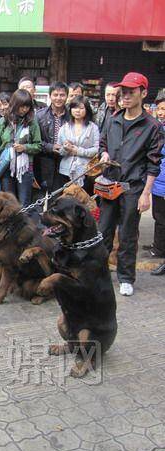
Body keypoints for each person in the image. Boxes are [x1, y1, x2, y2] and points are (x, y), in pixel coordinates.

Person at [99, 72, 163, 296]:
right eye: (123, 92)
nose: (124, 96)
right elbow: (103, 143)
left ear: (143, 93)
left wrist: (146, 193)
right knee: (103, 231)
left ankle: (126, 277)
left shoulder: (152, 126)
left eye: (131, 92)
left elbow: (153, 163)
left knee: (127, 234)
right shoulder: (113, 118)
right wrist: (104, 154)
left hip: (133, 188)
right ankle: (99, 273)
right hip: (109, 183)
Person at [0, 89, 41, 208]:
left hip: (24, 169)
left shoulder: (32, 122)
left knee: (24, 204)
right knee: (8, 203)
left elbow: (38, 145)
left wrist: (25, 147)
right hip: (6, 167)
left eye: (27, 106)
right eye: (21, 106)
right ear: (15, 104)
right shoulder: (3, 121)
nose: (24, 109)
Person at [58, 95, 99, 192]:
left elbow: (96, 149)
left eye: (81, 108)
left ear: (86, 110)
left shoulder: (93, 128)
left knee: (84, 201)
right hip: (66, 170)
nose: (77, 111)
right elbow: (60, 151)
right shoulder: (64, 128)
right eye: (74, 107)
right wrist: (65, 148)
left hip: (86, 171)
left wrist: (78, 151)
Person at [35, 81, 70, 193]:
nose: (58, 98)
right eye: (55, 95)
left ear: (67, 96)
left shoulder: (72, 116)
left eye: (62, 95)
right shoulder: (40, 116)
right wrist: (50, 147)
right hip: (44, 161)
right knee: (42, 195)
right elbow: (35, 140)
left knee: (62, 194)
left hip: (65, 160)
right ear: (50, 96)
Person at [149, 89, 165, 275]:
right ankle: (158, 246)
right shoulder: (157, 128)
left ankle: (161, 252)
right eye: (159, 108)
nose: (161, 112)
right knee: (159, 217)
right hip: (157, 182)